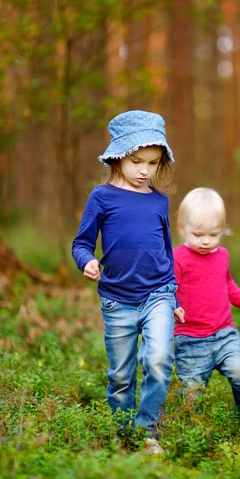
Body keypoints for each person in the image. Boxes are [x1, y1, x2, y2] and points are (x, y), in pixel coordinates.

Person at [72, 110, 179, 455]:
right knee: (121, 375)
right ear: (118, 156)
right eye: (136, 161)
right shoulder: (101, 197)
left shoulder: (159, 200)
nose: (144, 171)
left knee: (159, 359)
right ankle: (122, 435)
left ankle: (147, 430)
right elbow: (81, 243)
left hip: (158, 294)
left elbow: (167, 249)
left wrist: (174, 294)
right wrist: (86, 261)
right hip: (117, 299)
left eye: (152, 163)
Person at [173, 187, 240, 424]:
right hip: (189, 339)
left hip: (224, 334)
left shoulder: (222, 255)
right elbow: (167, 289)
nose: (206, 241)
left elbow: (228, 284)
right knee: (192, 394)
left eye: (214, 235)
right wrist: (170, 308)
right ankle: (192, 428)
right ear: (182, 228)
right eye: (199, 234)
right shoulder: (178, 258)